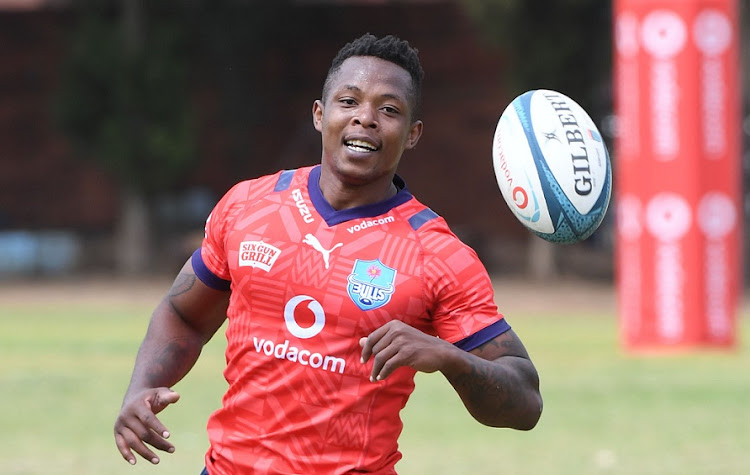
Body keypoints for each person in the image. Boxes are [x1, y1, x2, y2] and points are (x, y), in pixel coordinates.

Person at [114, 33, 542, 474]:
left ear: (413, 134)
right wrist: (141, 388)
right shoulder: (249, 206)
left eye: (389, 109)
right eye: (349, 101)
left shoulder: (436, 254)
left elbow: (525, 402)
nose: (366, 118)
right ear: (320, 115)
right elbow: (184, 314)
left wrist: (450, 357)